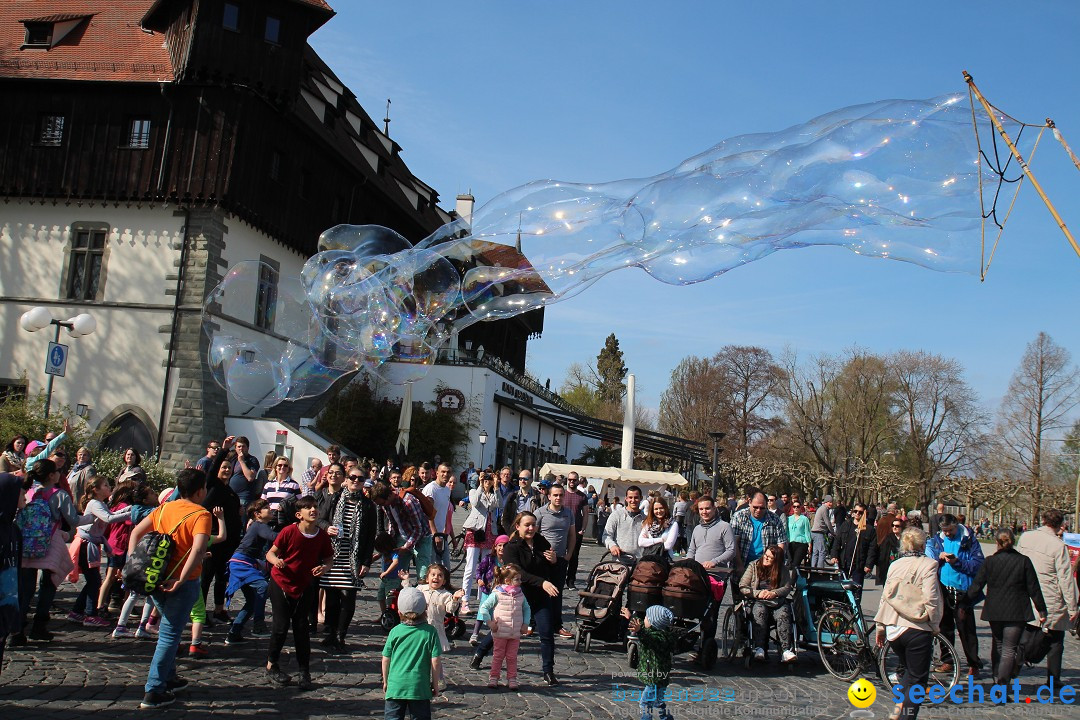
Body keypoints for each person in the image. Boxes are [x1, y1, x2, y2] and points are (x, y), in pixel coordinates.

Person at [128, 468, 212, 709]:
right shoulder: (201, 514)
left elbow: (135, 532)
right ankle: (154, 690)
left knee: (169, 626)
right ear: (199, 491)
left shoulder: (165, 507)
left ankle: (169, 677)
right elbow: (197, 550)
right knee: (170, 634)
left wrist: (135, 563)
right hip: (181, 583)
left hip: (155, 578)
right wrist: (182, 579)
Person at [264, 495, 334, 691]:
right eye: (308, 508)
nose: (313, 510)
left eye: (315, 508)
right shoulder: (288, 531)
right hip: (281, 582)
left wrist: (324, 568)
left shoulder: (321, 536)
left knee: (302, 627)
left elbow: (329, 559)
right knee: (281, 625)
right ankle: (272, 665)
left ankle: (304, 671)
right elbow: (270, 553)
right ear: (299, 514)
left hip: (304, 585)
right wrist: (275, 561)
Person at [873, 527, 943, 720]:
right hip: (916, 627)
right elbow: (932, 599)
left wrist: (880, 627)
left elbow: (884, 597)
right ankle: (906, 716)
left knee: (909, 673)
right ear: (922, 545)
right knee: (918, 681)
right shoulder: (929, 565)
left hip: (894, 628)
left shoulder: (895, 565)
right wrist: (935, 625)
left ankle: (897, 710)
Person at [965, 529, 1046, 685]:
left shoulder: (990, 561)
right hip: (1017, 609)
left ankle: (998, 679)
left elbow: (976, 586)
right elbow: (1033, 588)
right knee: (1009, 648)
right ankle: (1002, 684)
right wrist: (1041, 609)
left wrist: (964, 603)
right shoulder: (1023, 561)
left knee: (999, 644)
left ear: (997, 542)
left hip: (995, 609)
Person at [1016, 509, 1080, 689]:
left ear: (1043, 520)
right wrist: (1072, 606)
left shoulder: (1026, 537)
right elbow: (1066, 579)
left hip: (1027, 593)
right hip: (1050, 596)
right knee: (1056, 640)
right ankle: (1053, 678)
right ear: (1060, 525)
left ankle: (1014, 667)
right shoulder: (1058, 546)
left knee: (1025, 633)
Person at [319, 469, 376, 651]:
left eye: (360, 478)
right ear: (346, 479)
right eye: (353, 477)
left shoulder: (368, 505)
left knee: (348, 600)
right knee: (332, 599)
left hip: (353, 559)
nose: (356, 481)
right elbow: (320, 519)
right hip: (332, 556)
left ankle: (340, 635)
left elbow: (370, 536)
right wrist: (327, 528)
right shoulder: (335, 499)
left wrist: (366, 562)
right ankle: (330, 633)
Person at [502, 511, 560, 685]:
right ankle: (481, 652)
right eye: (527, 525)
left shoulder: (541, 541)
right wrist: (542, 582)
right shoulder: (511, 547)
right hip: (519, 596)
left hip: (540, 596)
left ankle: (548, 671)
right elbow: (519, 573)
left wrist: (554, 560)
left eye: (533, 524)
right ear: (518, 526)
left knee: (547, 633)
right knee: (504, 631)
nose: (531, 528)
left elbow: (550, 568)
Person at [926, 513, 984, 678]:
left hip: (963, 589)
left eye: (950, 530)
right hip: (944, 587)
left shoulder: (968, 539)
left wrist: (957, 562)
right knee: (945, 627)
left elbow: (978, 565)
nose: (948, 533)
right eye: (945, 530)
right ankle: (948, 660)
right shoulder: (939, 539)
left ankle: (973, 663)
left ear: (956, 525)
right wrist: (940, 558)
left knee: (966, 629)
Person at [382, 586, 443, 720]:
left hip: (395, 687)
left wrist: (386, 681)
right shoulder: (430, 632)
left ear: (399, 612)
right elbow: (436, 660)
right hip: (419, 687)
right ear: (425, 609)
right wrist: (435, 684)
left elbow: (386, 658)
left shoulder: (395, 632)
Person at [686, 496, 735, 655]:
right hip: (697, 576)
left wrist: (714, 561)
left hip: (717, 577)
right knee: (696, 610)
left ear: (714, 508)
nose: (704, 512)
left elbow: (731, 550)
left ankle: (706, 647)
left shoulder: (724, 527)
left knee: (711, 614)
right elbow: (692, 551)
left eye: (707, 508)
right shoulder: (697, 529)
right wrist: (686, 562)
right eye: (701, 509)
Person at [224, 499, 276, 644]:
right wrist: (292, 533)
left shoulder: (257, 525)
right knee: (262, 586)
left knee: (252, 601)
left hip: (242, 563)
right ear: (257, 514)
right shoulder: (259, 525)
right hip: (242, 563)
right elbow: (274, 537)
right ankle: (258, 625)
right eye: (266, 508)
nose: (270, 509)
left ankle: (234, 634)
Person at [739, 544, 797, 663]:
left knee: (784, 614)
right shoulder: (754, 566)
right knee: (760, 611)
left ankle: (786, 650)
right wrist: (757, 593)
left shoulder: (783, 570)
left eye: (769, 558)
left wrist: (774, 593)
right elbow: (743, 586)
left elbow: (787, 587)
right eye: (765, 555)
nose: (765, 558)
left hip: (777, 601)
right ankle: (759, 647)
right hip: (759, 600)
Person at [477, 563, 531, 689]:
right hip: (500, 631)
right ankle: (494, 677)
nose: (520, 582)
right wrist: (490, 622)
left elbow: (527, 609)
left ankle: (512, 678)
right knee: (498, 656)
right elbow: (484, 608)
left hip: (515, 632)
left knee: (512, 657)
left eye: (519, 579)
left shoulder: (520, 594)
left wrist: (525, 624)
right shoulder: (498, 594)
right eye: (517, 579)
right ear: (507, 580)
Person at [535, 482, 576, 639]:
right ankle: (534, 622)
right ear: (549, 496)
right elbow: (533, 535)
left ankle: (557, 625)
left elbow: (572, 535)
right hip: (543, 560)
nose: (558, 498)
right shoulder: (540, 513)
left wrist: (568, 555)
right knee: (540, 591)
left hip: (561, 559)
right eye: (555, 495)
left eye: (561, 495)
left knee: (557, 593)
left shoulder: (568, 513)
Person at [460, 471, 498, 614]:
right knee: (470, 567)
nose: (488, 481)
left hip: (490, 531)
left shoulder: (493, 493)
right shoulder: (473, 491)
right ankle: (465, 600)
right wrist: (481, 485)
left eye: (490, 479)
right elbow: (475, 502)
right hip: (476, 531)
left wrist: (496, 486)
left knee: (488, 568)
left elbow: (499, 503)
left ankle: (484, 600)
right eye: (486, 479)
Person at [629, 605, 676, 720]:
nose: (644, 619)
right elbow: (641, 626)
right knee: (658, 702)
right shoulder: (660, 632)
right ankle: (665, 718)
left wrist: (640, 631)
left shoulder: (657, 638)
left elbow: (647, 636)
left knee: (645, 703)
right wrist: (630, 616)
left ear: (653, 623)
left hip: (654, 677)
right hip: (659, 677)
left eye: (646, 617)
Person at [730, 490, 787, 579]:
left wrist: (776, 563)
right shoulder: (739, 517)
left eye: (762, 508)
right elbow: (733, 543)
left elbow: (781, 543)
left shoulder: (775, 519)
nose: (758, 510)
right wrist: (739, 564)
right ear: (749, 502)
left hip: (766, 567)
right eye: (755, 507)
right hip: (742, 563)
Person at [0, 471, 24, 673]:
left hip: (7, 607)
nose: (24, 494)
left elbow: (13, 576)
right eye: (19, 491)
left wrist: (14, 617)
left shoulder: (14, 531)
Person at [829, 503, 877, 601]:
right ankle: (842, 609)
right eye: (855, 511)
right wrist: (834, 555)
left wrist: (869, 565)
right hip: (844, 562)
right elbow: (837, 541)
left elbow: (872, 549)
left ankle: (855, 611)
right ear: (852, 512)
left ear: (864, 513)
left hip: (859, 564)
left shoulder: (869, 529)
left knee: (856, 591)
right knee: (841, 589)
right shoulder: (845, 525)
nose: (857, 514)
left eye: (860, 512)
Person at [470, 534, 510, 648]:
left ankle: (493, 636)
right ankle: (475, 633)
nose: (502, 548)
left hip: (502, 593)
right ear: (495, 547)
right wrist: (479, 580)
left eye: (505, 546)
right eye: (500, 545)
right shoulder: (489, 558)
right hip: (487, 590)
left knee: (497, 614)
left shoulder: (509, 561)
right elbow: (479, 570)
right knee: (483, 611)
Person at [423, 463, 454, 570]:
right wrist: (435, 534)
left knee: (445, 569)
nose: (446, 474)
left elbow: (444, 512)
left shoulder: (447, 490)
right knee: (433, 568)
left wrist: (445, 532)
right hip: (430, 535)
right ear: (437, 473)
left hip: (442, 534)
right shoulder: (431, 489)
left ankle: (445, 586)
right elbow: (428, 514)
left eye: (448, 472)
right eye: (443, 472)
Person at [562, 472, 588, 589]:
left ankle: (571, 580)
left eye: (574, 480)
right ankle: (560, 578)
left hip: (576, 530)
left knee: (574, 556)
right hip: (563, 530)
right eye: (570, 480)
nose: (572, 482)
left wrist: (583, 529)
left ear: (578, 481)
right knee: (561, 555)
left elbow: (586, 514)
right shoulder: (562, 494)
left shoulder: (582, 496)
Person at [604, 486, 645, 559]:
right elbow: (606, 536)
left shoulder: (645, 518)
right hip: (620, 560)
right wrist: (612, 546)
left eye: (636, 497)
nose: (633, 500)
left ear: (641, 498)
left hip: (640, 561)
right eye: (630, 497)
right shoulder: (616, 515)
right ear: (626, 498)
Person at [638, 496, 679, 560]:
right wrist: (661, 540)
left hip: (665, 559)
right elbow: (640, 542)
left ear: (665, 508)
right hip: (649, 559)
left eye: (661, 508)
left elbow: (668, 545)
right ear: (652, 510)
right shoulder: (648, 523)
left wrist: (648, 543)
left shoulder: (673, 524)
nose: (659, 511)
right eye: (656, 509)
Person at [228, 437, 260, 507]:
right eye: (239, 447)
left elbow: (250, 477)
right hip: (231, 495)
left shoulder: (252, 460)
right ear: (235, 448)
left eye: (243, 446)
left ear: (247, 448)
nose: (241, 449)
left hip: (244, 498)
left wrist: (242, 461)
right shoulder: (233, 458)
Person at [374, 533, 402, 615]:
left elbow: (395, 562)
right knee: (380, 597)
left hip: (393, 580)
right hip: (385, 580)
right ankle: (384, 615)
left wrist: (386, 572)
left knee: (390, 599)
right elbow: (376, 556)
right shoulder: (384, 552)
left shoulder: (393, 553)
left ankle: (392, 615)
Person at [876, 516, 904, 584]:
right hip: (889, 568)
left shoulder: (905, 539)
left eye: (897, 526)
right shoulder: (887, 539)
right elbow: (882, 554)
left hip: (902, 569)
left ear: (901, 527)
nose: (894, 527)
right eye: (893, 525)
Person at [785, 497, 811, 569]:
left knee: (796, 564)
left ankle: (793, 580)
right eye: (794, 507)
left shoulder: (804, 519)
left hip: (801, 543)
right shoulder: (789, 519)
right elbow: (787, 531)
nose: (796, 508)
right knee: (790, 564)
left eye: (798, 507)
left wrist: (809, 544)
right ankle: (790, 579)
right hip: (791, 543)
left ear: (800, 508)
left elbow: (807, 532)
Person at [810, 495, 834, 567]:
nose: (831, 504)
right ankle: (820, 569)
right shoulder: (824, 509)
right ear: (826, 502)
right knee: (822, 552)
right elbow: (827, 522)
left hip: (814, 532)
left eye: (831, 502)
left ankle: (813, 568)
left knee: (815, 552)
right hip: (818, 533)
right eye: (829, 502)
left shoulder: (821, 508)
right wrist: (832, 532)